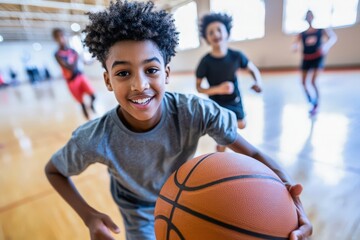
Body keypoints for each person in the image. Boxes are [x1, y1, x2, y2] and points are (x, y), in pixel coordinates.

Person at [44, 1, 312, 240]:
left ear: (166, 73)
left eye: (151, 70)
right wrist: (88, 215)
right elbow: (54, 170)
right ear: (107, 81)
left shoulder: (195, 111)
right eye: (123, 73)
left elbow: (252, 153)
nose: (140, 85)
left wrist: (292, 202)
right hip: (135, 207)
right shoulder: (96, 137)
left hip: (186, 196)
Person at [196, 12, 263, 152]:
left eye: (219, 30)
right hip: (217, 103)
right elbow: (199, 88)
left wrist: (258, 82)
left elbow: (252, 69)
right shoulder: (205, 62)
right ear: (207, 38)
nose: (215, 34)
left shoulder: (236, 56)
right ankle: (222, 148)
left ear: (227, 33)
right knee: (224, 128)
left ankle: (223, 140)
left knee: (242, 124)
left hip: (234, 99)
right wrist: (218, 89)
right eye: (211, 32)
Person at [292, 10, 337, 115]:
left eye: (310, 15)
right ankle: (310, 101)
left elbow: (333, 37)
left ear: (313, 17)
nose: (309, 18)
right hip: (306, 58)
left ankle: (316, 103)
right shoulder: (302, 34)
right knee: (303, 82)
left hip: (317, 58)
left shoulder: (320, 30)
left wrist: (326, 46)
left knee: (312, 81)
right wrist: (294, 46)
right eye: (307, 16)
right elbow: (295, 43)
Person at [52, 28, 96, 120]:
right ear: (55, 39)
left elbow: (83, 61)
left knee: (93, 95)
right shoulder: (57, 54)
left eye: (62, 35)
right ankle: (88, 120)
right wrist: (77, 57)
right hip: (71, 81)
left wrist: (91, 60)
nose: (61, 38)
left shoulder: (73, 51)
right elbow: (69, 67)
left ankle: (91, 106)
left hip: (80, 76)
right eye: (58, 37)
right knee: (81, 102)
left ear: (66, 36)